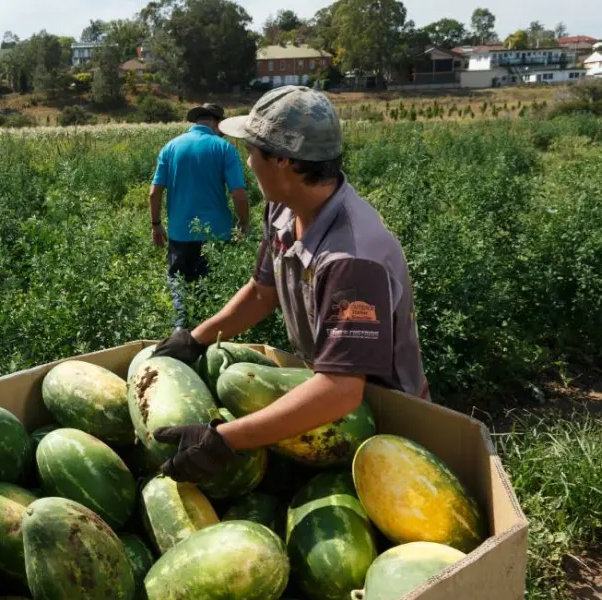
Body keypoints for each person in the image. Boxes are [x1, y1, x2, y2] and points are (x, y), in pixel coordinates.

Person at [149, 86, 430, 484]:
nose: (247, 162)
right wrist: (196, 338)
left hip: (377, 414)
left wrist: (223, 440)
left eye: (253, 151)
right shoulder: (283, 206)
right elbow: (264, 291)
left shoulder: (351, 258)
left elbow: (343, 389)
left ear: (282, 160)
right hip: (321, 393)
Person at [150, 102, 250, 329]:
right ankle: (211, 337)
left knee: (179, 286)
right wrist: (243, 224)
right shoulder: (224, 148)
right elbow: (239, 195)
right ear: (217, 123)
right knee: (212, 291)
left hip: (179, 233)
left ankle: (180, 331)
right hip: (217, 234)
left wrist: (156, 224)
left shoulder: (171, 147)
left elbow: (154, 193)